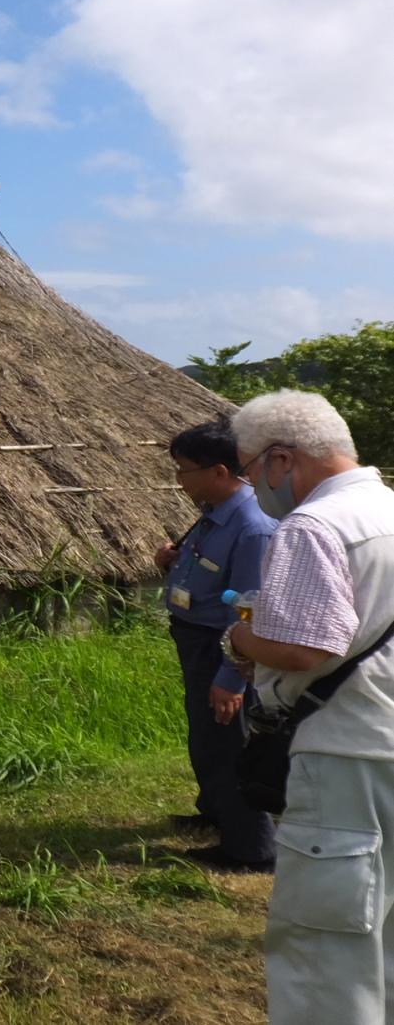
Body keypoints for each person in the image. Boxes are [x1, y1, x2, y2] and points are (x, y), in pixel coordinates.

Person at [224, 390, 394, 1024]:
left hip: (346, 751)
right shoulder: (387, 510)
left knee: (326, 948)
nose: (252, 487)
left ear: (280, 460)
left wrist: (238, 636)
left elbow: (304, 646)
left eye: (249, 471)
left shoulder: (315, 525)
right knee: (386, 940)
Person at [151, 421, 276, 870]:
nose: (178, 479)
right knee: (206, 738)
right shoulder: (213, 512)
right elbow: (208, 573)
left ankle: (252, 849)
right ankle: (217, 814)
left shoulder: (252, 527)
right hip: (196, 639)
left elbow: (249, 610)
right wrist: (172, 562)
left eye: (184, 469)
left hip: (220, 647)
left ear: (219, 470)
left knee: (228, 745)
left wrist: (231, 677)